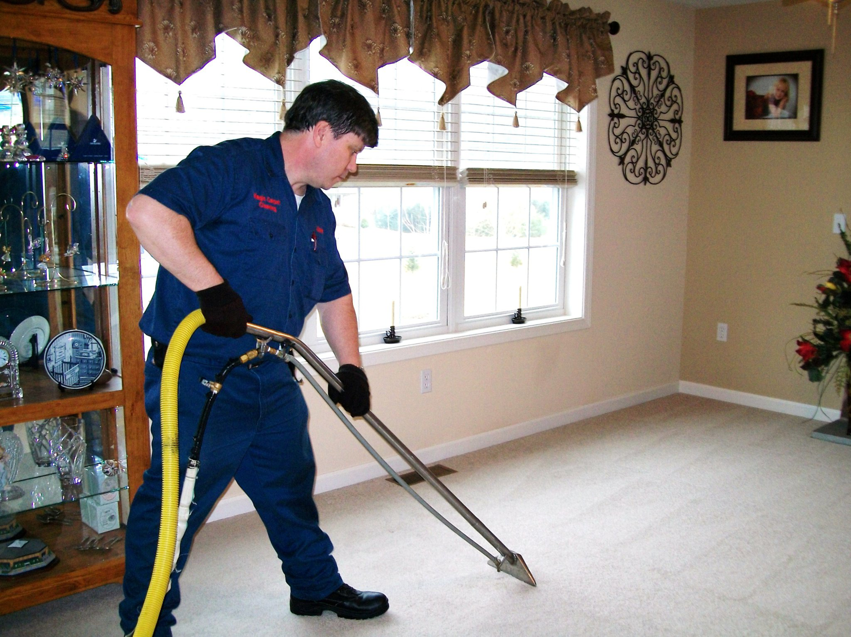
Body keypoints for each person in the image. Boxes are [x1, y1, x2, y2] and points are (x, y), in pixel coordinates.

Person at [119, 79, 386, 637]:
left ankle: (314, 585)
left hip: (270, 369)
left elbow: (334, 291)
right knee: (174, 506)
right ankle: (145, 626)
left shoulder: (316, 210)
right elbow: (146, 212)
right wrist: (210, 288)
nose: (353, 166)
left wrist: (351, 366)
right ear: (319, 132)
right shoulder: (233, 167)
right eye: (352, 150)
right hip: (198, 374)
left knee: (289, 484)